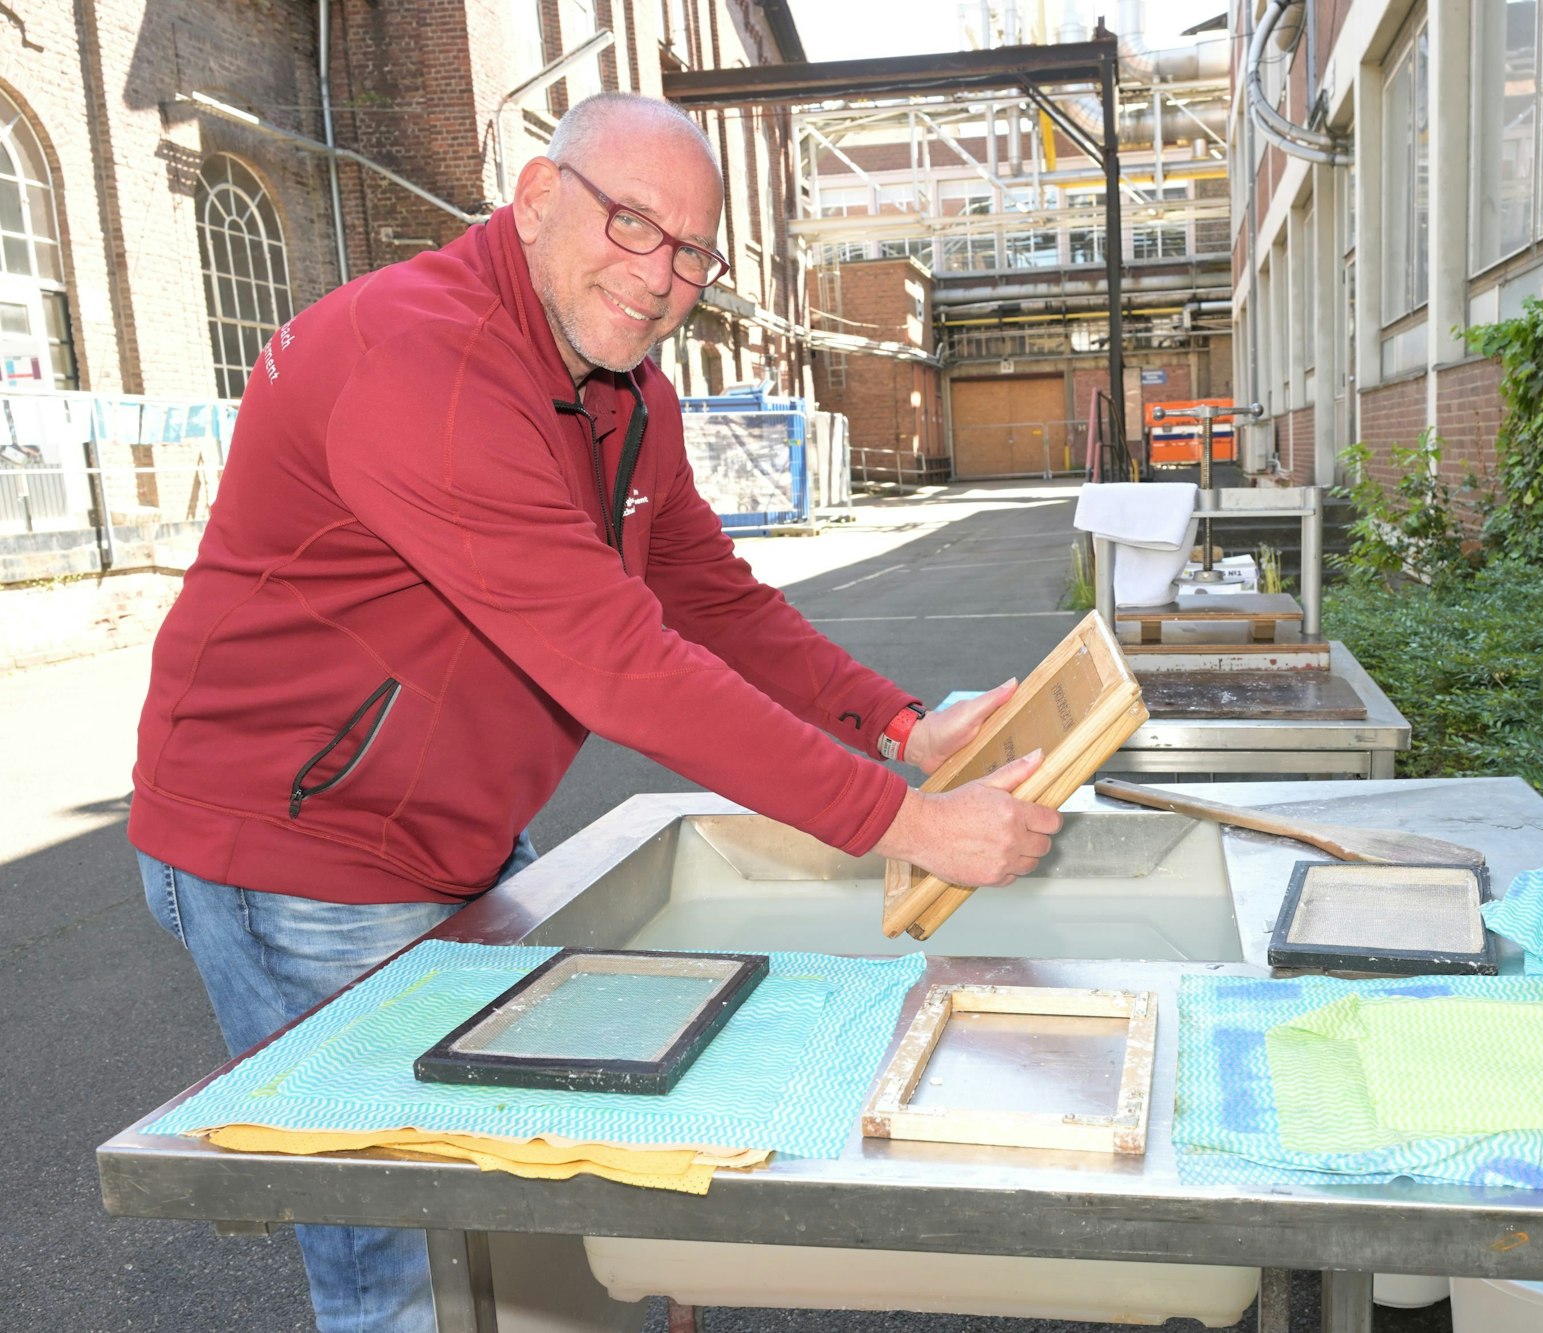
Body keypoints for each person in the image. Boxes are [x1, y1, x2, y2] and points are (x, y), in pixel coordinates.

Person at [129, 92, 1059, 1333]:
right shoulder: (419, 360)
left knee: (524, 1209)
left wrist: (896, 725)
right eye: (631, 224)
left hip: (451, 833)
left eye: (690, 252)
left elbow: (709, 599)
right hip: (299, 856)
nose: (660, 275)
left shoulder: (623, 392)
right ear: (534, 197)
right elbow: (620, 663)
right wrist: (905, 823)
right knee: (401, 1247)